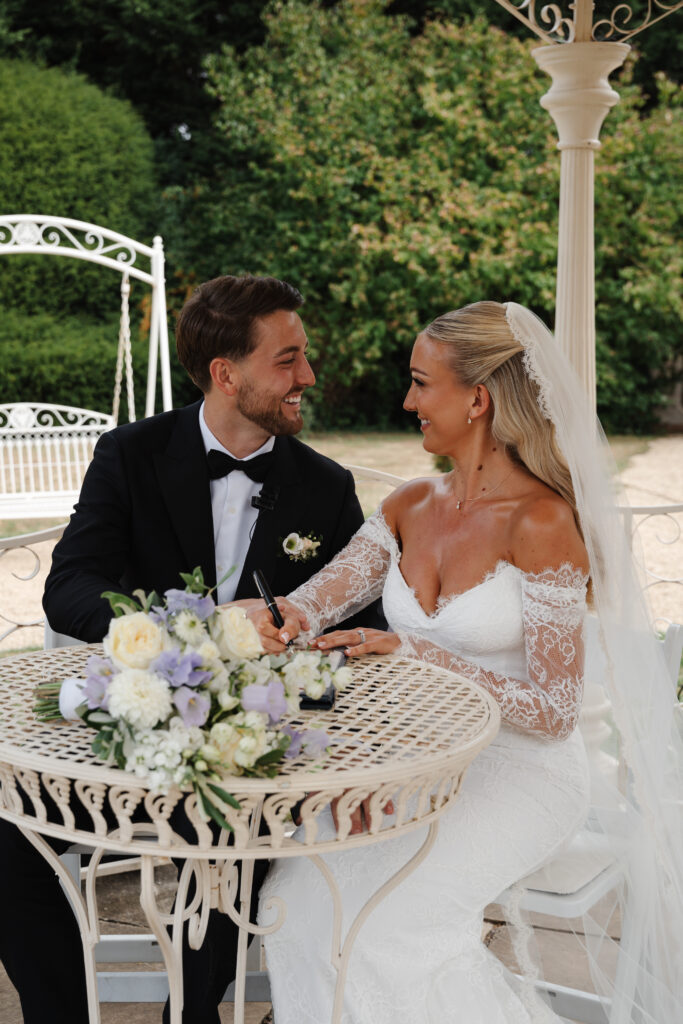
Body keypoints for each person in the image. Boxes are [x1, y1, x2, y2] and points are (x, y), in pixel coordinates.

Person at [250, 301, 683, 1024]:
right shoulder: (408, 504)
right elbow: (307, 605)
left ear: (476, 399)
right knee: (291, 903)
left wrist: (416, 651)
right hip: (415, 763)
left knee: (391, 930)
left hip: (519, 772)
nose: (407, 400)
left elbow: (552, 714)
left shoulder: (540, 521)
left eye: (422, 383)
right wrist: (268, 620)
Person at [0, 274, 375, 1024]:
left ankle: (191, 1015)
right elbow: (69, 586)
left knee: (236, 846)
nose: (306, 376)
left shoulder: (325, 489)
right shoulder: (131, 454)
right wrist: (190, 633)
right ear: (225, 373)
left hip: (247, 752)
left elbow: (351, 634)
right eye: (288, 358)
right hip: (124, 731)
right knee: (5, 839)